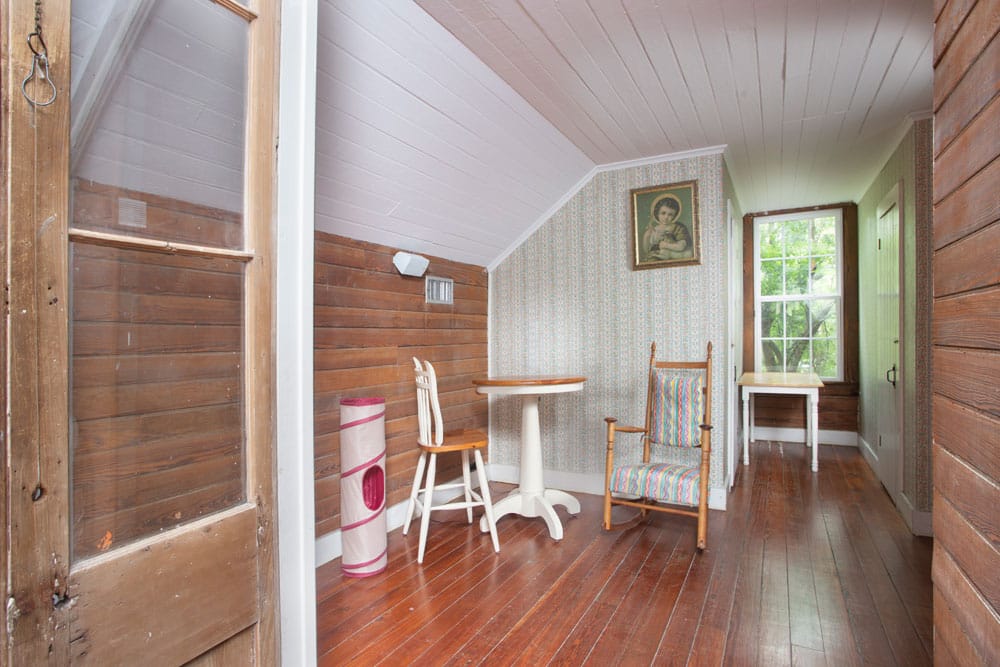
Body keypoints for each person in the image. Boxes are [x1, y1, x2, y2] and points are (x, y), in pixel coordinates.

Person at [642, 194, 692, 261]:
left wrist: (666, 245)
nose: (666, 217)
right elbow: (647, 250)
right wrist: (647, 236)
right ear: (657, 213)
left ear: (675, 216)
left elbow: (681, 246)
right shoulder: (655, 229)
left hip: (676, 256)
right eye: (663, 213)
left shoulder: (679, 227)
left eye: (670, 214)